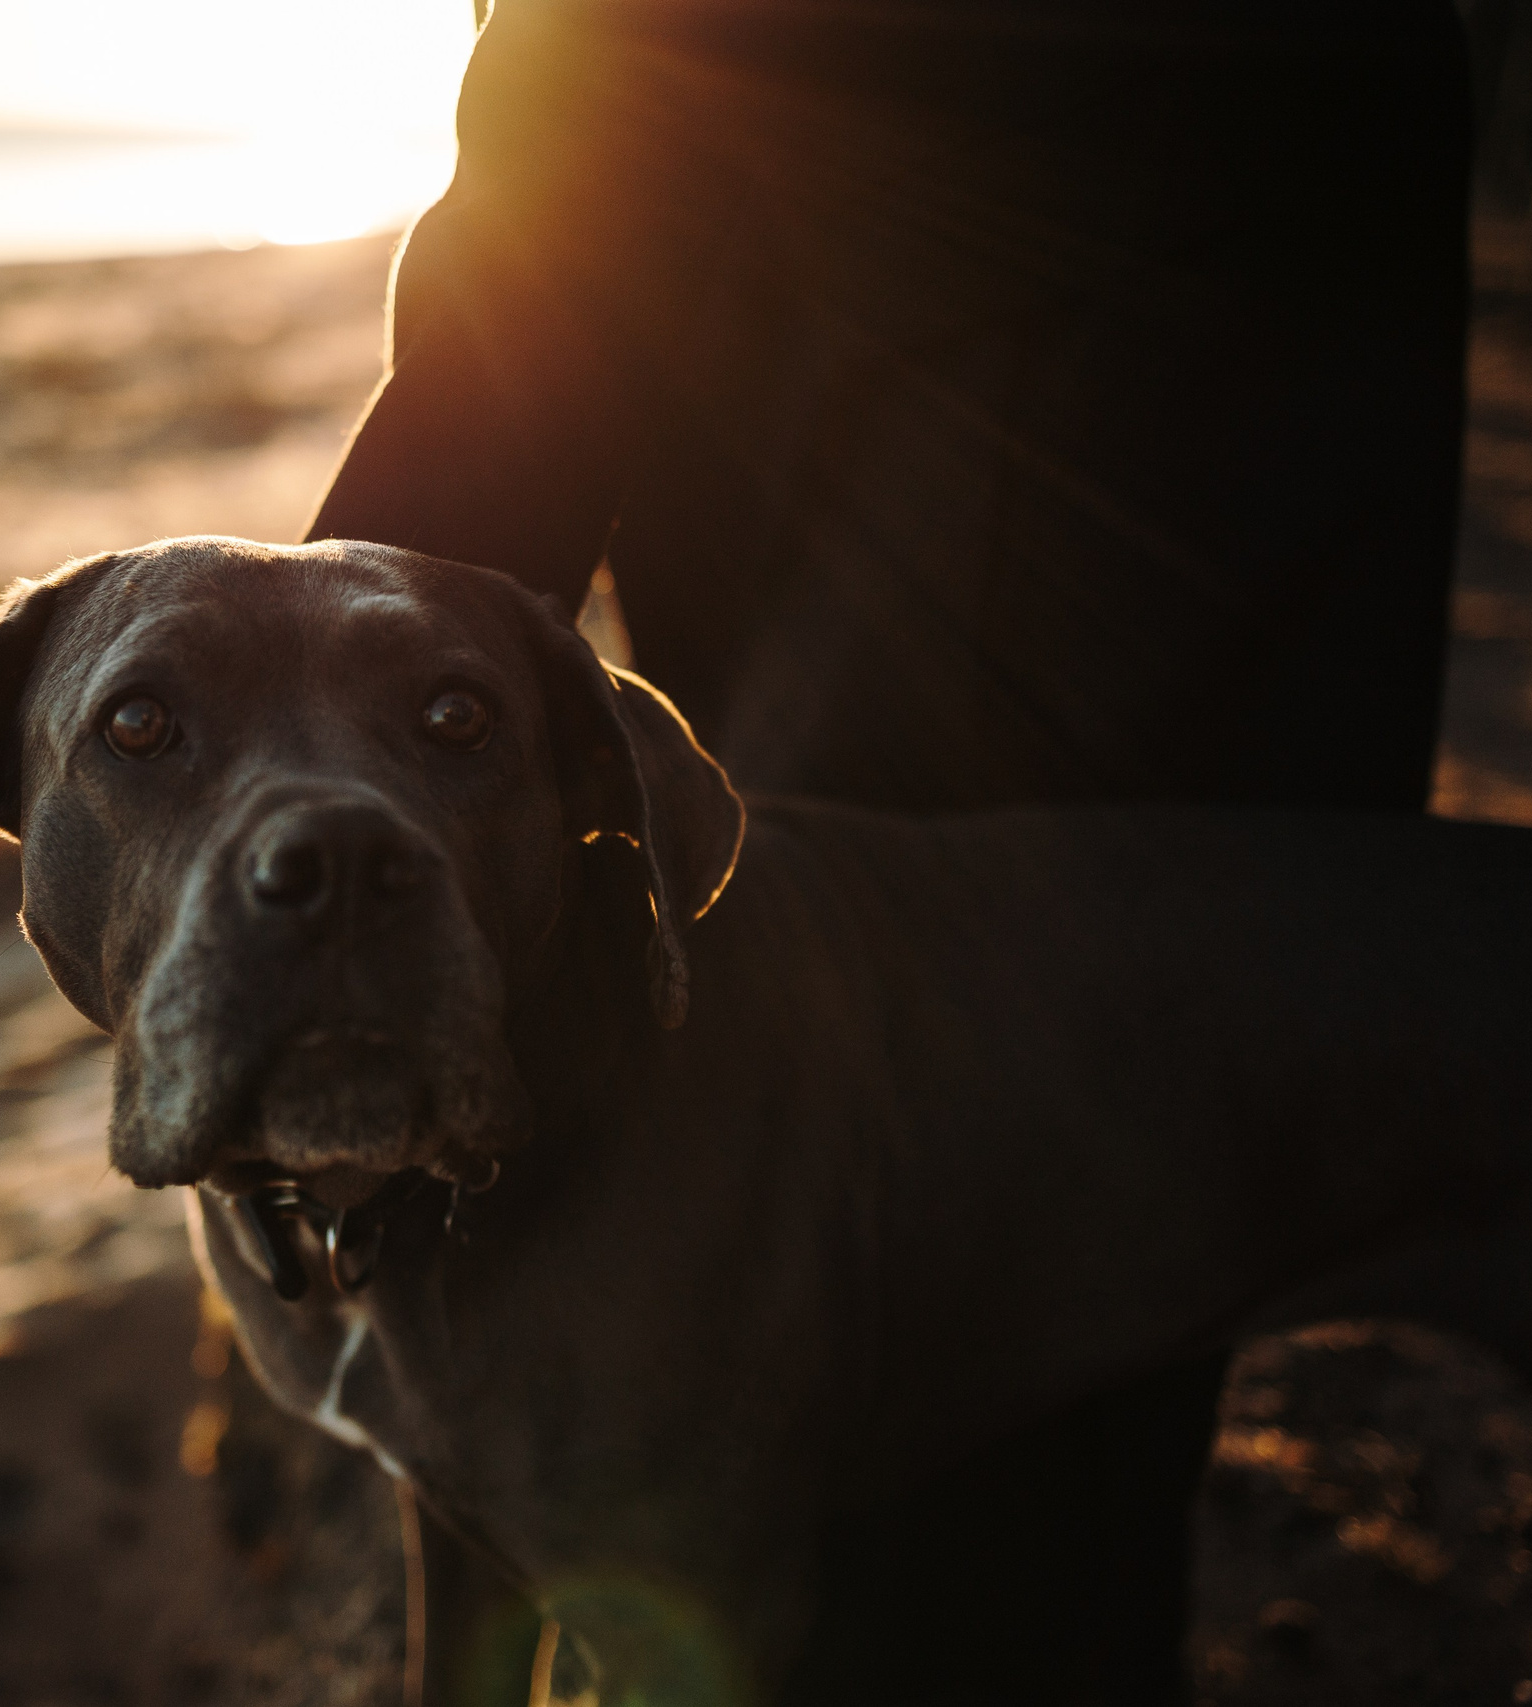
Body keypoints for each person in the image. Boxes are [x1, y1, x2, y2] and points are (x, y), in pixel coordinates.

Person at [306, 2, 1472, 1700]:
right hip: (1248, 592)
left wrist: (281, 767)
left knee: (929, 1520)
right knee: (1087, 1425)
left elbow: (544, 292)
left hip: (978, 710)